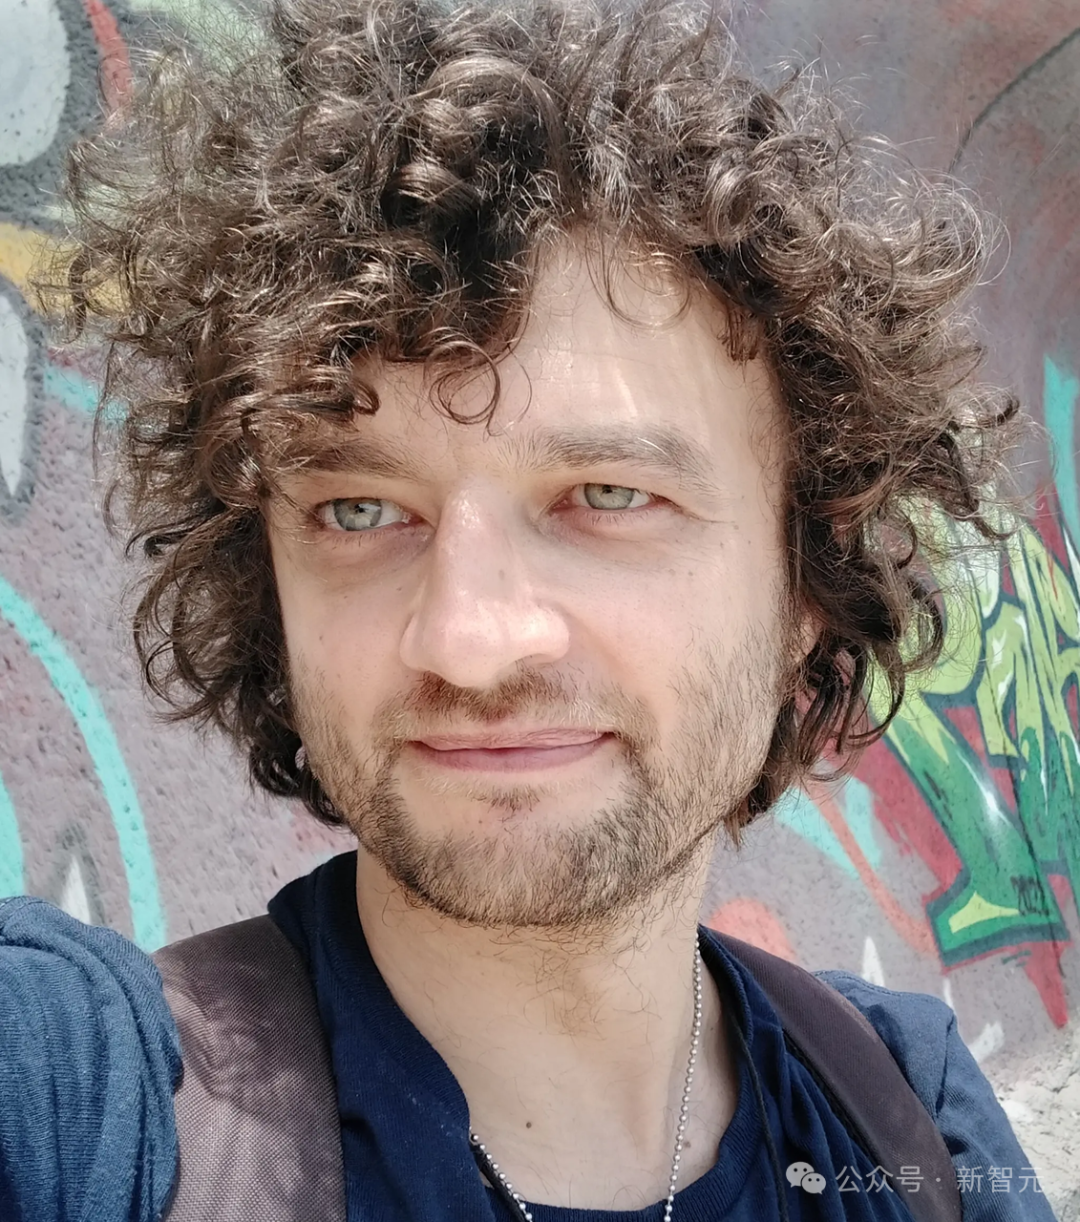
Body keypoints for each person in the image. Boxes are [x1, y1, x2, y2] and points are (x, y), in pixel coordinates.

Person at [0, 0, 1057, 1218]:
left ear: (806, 584)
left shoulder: (909, 1114)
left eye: (608, 495)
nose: (468, 638)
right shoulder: (102, 1105)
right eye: (359, 509)